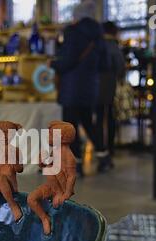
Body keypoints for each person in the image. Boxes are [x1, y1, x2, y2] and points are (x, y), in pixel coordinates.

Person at [50, 0, 109, 177]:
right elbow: (104, 65)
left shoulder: (72, 32)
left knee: (70, 127)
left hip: (71, 89)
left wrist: (53, 63)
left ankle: (77, 165)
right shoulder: (99, 36)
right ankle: (103, 156)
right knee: (88, 123)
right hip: (90, 87)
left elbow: (67, 60)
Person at [95, 21, 126, 171]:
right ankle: (110, 149)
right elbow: (121, 69)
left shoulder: (96, 45)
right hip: (110, 88)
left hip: (95, 87)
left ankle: (100, 149)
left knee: (99, 119)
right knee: (111, 118)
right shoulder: (114, 47)